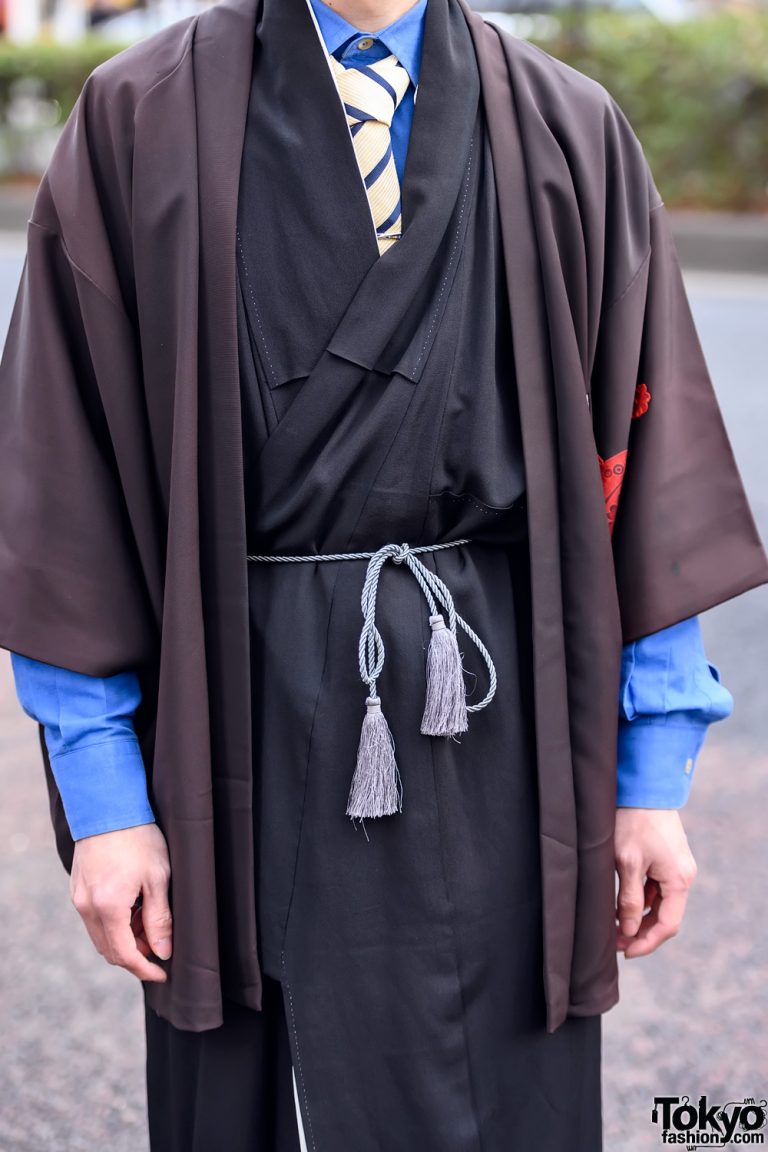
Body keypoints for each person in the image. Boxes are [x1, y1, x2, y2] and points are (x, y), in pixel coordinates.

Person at [1, 0, 766, 1148]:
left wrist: (652, 772)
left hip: (500, 711)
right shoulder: (141, 120)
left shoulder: (567, 128)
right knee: (245, 1095)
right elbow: (69, 481)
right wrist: (107, 800)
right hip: (234, 701)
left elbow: (638, 465)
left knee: (502, 1096)